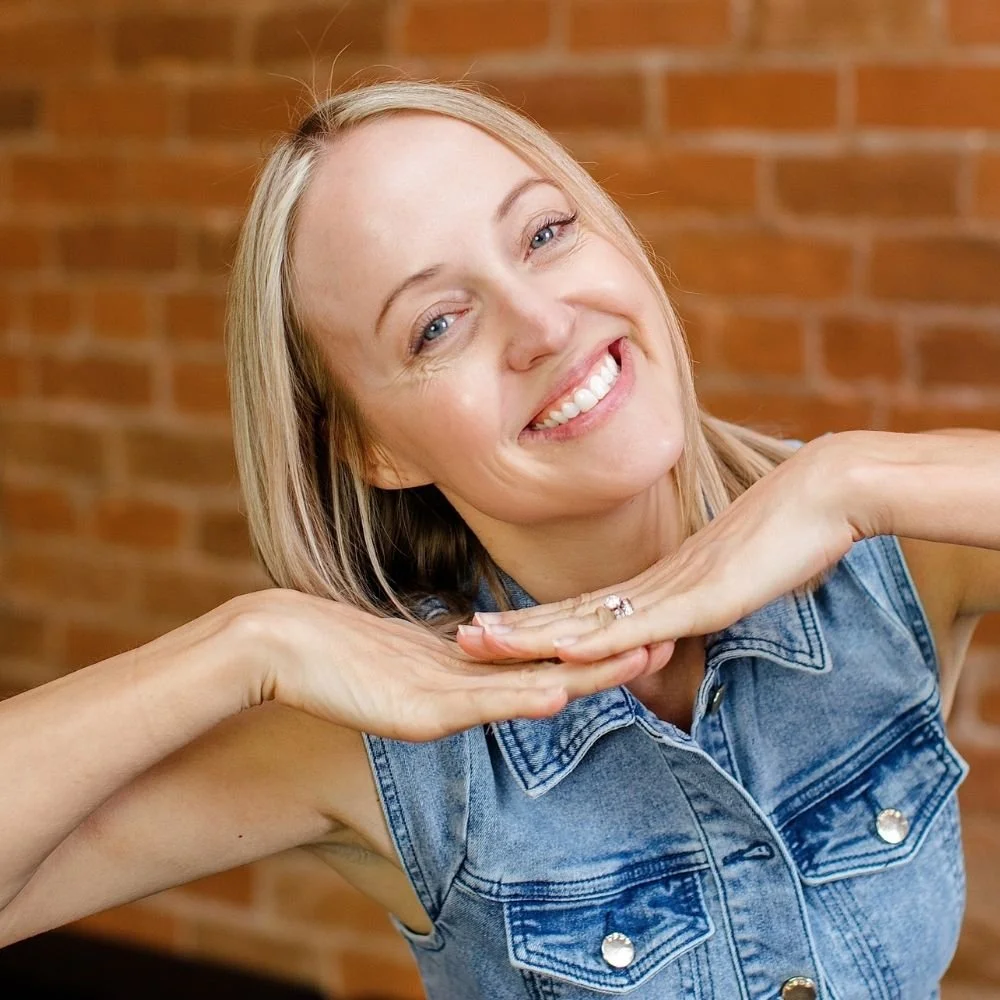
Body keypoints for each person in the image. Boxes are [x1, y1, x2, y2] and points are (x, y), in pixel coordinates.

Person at [1, 80, 997, 999]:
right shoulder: (385, 739)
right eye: (436, 325)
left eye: (546, 233)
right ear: (374, 447)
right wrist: (242, 645)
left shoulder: (883, 552)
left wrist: (855, 477)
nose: (541, 321)